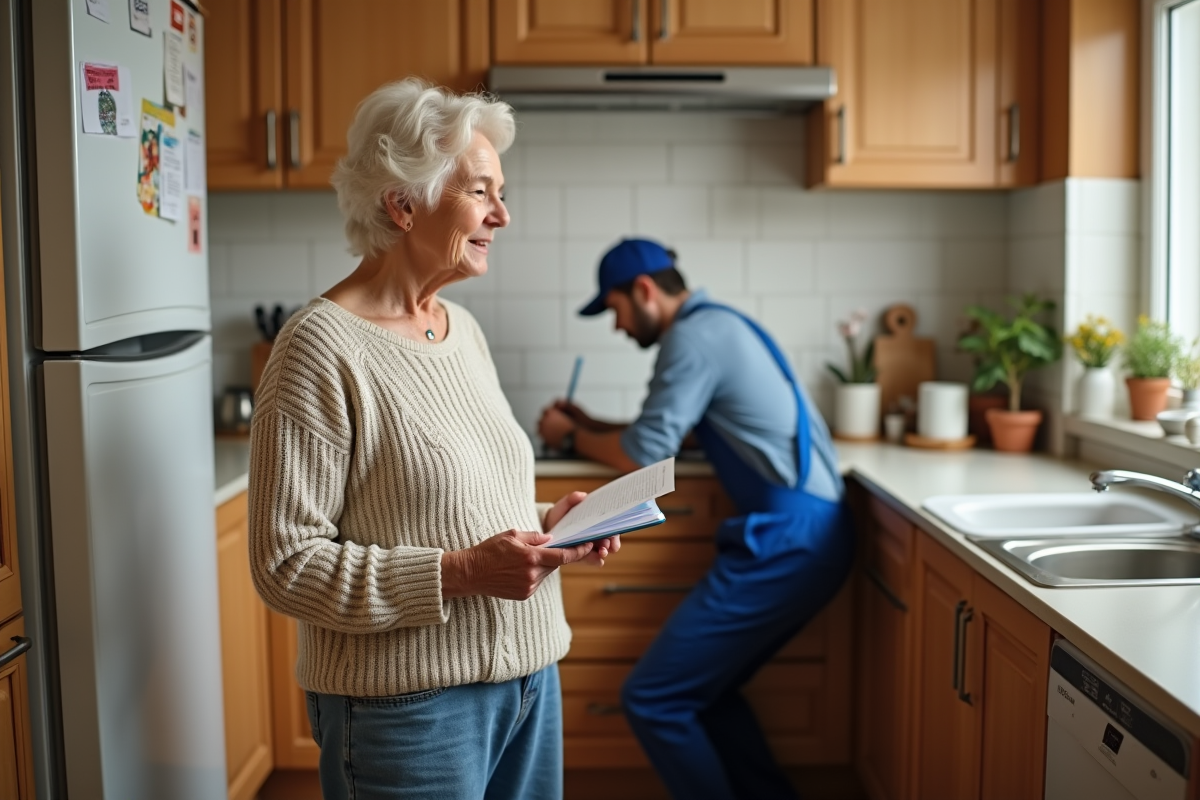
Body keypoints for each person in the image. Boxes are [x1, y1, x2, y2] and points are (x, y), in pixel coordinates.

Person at [248, 78, 620, 800]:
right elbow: (284, 563)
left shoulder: (460, 330)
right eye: (481, 192)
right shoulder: (318, 349)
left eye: (499, 192)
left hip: (529, 686)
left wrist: (549, 524)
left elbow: (455, 502)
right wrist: (463, 574)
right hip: (409, 711)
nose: (502, 214)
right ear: (403, 203)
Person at [537, 238, 854, 800]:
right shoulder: (720, 324)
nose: (617, 326)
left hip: (791, 539)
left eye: (614, 309)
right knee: (710, 691)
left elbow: (645, 453)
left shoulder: (692, 338)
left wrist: (570, 435)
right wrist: (593, 422)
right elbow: (672, 434)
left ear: (644, 291)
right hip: (805, 531)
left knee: (655, 698)